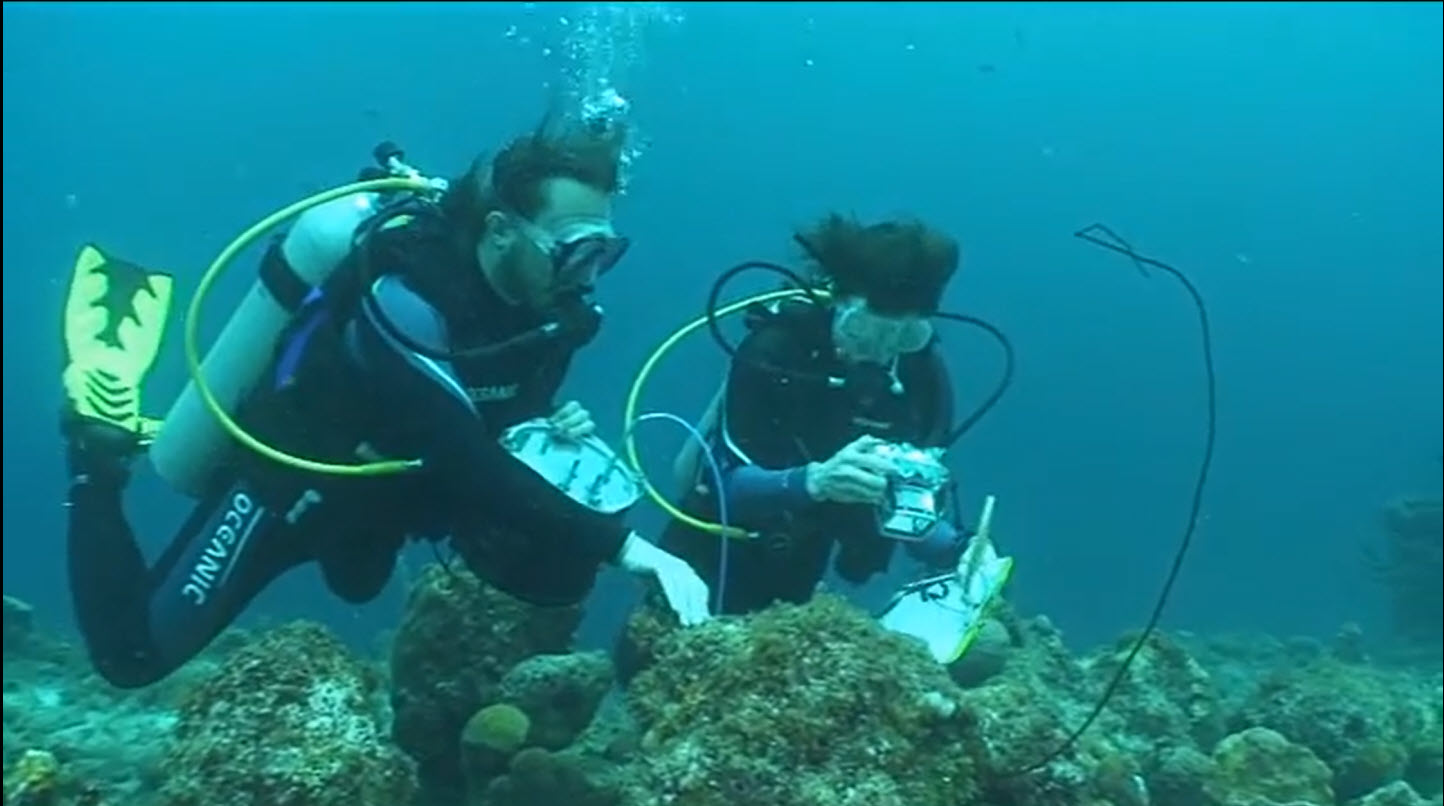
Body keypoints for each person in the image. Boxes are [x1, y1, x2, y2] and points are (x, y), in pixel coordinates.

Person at [59, 122, 710, 690]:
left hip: (388, 489)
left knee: (359, 584)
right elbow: (461, 452)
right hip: (294, 482)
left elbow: (497, 412)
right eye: (573, 251)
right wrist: (629, 548)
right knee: (131, 655)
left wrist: (545, 424)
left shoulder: (548, 315)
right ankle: (96, 454)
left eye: (605, 252)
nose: (588, 277)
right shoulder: (404, 302)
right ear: (499, 232)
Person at [658, 213, 972, 617]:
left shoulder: (921, 374)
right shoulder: (776, 351)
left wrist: (957, 552)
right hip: (711, 548)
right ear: (837, 302)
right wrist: (816, 481)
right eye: (863, 329)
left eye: (904, 336)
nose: (879, 350)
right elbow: (720, 485)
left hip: (798, 563)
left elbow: (909, 495)